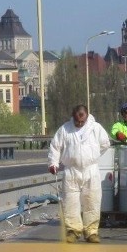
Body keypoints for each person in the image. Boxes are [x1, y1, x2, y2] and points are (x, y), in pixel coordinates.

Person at [47, 104, 111, 243]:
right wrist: (53, 163)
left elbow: (105, 143)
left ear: (87, 116)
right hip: (71, 170)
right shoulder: (65, 129)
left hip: (91, 169)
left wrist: (93, 155)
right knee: (70, 201)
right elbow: (55, 147)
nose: (80, 123)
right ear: (73, 117)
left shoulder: (95, 128)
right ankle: (73, 231)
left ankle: (91, 232)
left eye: (82, 121)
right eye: (77, 121)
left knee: (92, 200)